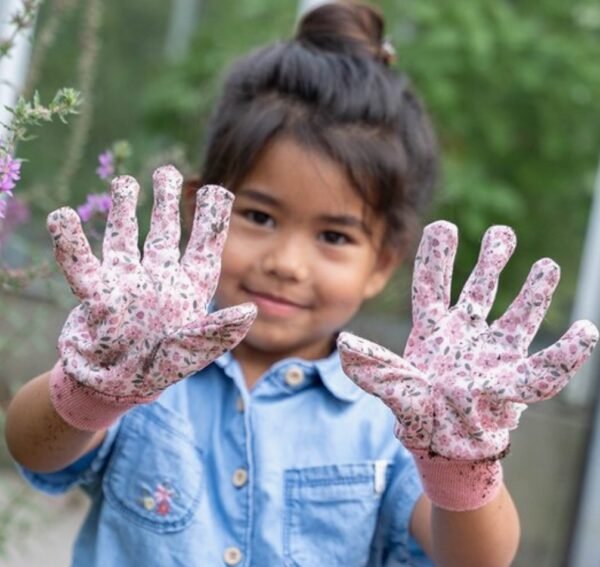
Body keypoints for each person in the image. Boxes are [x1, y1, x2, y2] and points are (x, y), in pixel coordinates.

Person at [5, 2, 597, 566]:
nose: (288, 263)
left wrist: (462, 460)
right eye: (259, 217)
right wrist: (94, 388)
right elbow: (31, 445)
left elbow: (477, 558)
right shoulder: (142, 360)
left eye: (334, 237)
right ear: (200, 211)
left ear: (384, 264)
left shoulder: (400, 416)